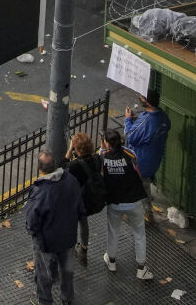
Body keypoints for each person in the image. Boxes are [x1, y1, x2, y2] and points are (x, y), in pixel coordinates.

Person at [24, 150, 84, 305]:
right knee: (67, 271)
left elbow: (31, 222)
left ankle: (45, 301)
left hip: (47, 243)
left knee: (44, 275)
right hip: (68, 237)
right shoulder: (71, 180)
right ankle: (67, 299)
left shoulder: (40, 191)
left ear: (40, 168)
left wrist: (35, 234)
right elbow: (79, 207)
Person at [96, 127, 153, 280]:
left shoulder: (102, 156)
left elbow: (100, 171)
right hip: (134, 200)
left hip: (114, 202)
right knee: (140, 233)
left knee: (113, 231)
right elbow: (138, 173)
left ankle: (112, 261)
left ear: (106, 143)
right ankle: (141, 268)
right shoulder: (130, 154)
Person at [123, 95, 171, 220]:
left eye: (142, 98)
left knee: (136, 186)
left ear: (148, 103)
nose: (140, 99)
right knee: (144, 184)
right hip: (154, 160)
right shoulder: (163, 117)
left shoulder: (147, 120)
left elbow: (130, 137)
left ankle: (141, 212)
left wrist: (128, 120)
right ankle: (147, 211)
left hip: (140, 162)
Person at [64, 131, 105, 263]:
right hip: (91, 200)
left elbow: (62, 168)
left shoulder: (74, 166)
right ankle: (84, 249)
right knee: (83, 222)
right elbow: (102, 153)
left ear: (76, 149)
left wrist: (69, 149)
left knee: (71, 223)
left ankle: (70, 248)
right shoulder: (97, 159)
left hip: (77, 201)